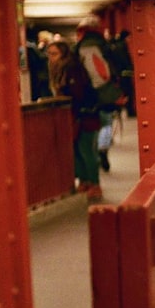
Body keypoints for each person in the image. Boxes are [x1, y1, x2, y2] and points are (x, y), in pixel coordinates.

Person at [47, 39, 102, 200]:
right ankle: (85, 181)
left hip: (84, 115)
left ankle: (94, 183)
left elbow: (78, 93)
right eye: (49, 54)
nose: (51, 57)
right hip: (75, 116)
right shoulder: (60, 68)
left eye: (54, 54)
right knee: (77, 150)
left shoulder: (72, 68)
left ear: (63, 53)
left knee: (86, 151)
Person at [75, 16, 122, 172]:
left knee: (96, 126)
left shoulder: (86, 46)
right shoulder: (100, 44)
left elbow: (97, 72)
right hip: (101, 91)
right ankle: (102, 149)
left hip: (92, 92)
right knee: (106, 123)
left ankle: (98, 152)